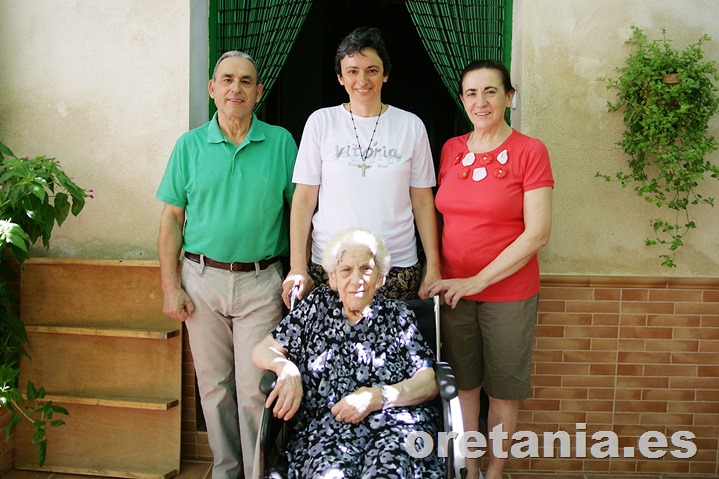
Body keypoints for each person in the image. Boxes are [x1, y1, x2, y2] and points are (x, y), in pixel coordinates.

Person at [156, 50, 297, 479]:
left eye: (246, 81)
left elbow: (301, 212)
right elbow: (172, 219)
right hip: (201, 280)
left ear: (258, 91)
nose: (236, 88)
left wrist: (299, 271)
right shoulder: (190, 145)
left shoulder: (281, 143)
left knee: (254, 389)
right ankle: (225, 469)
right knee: (214, 388)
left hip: (261, 282)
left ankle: (257, 472)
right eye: (227, 80)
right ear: (213, 89)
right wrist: (170, 286)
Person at [428, 60, 554, 479]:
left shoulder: (529, 151)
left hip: (509, 296)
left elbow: (537, 234)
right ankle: (470, 467)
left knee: (502, 393)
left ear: (509, 97)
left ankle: (495, 471)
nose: (480, 102)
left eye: (490, 92)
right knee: (464, 386)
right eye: (471, 93)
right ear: (462, 99)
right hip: (453, 294)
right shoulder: (450, 149)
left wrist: (477, 280)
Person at [253, 228, 443, 478]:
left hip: (393, 426)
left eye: (366, 268)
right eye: (345, 270)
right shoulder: (315, 307)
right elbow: (262, 349)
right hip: (326, 431)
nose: (357, 279)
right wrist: (285, 367)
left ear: (381, 277)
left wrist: (379, 397)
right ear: (332, 277)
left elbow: (429, 381)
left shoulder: (398, 315)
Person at [282, 26, 440, 304]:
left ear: (385, 74)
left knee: (391, 347)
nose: (362, 79)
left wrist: (434, 266)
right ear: (340, 78)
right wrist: (297, 266)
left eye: (372, 70)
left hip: (396, 267)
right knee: (331, 347)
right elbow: (304, 200)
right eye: (352, 71)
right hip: (332, 267)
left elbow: (423, 202)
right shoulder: (321, 123)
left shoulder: (411, 126)